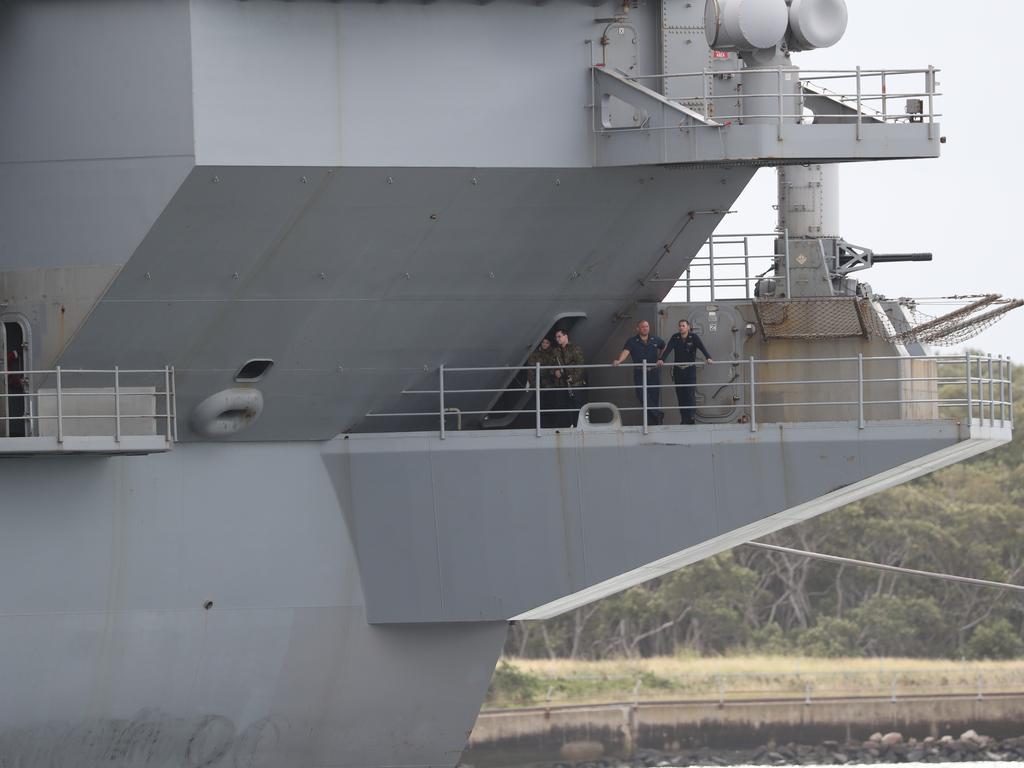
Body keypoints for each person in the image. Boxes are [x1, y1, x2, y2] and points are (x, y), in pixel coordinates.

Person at [612, 320, 666, 425]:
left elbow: (664, 347)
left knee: (654, 398)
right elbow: (625, 352)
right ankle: (657, 414)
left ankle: (653, 424)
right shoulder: (632, 341)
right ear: (638, 329)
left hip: (653, 372)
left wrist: (661, 358)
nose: (645, 328)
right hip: (640, 373)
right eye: (643, 327)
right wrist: (618, 361)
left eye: (647, 326)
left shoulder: (655, 339)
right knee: (641, 395)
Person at [661, 319, 713, 425]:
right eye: (680, 326)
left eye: (683, 326)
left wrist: (708, 357)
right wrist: (662, 359)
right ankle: (684, 418)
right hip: (678, 370)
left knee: (689, 393)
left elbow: (702, 348)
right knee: (681, 395)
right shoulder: (675, 337)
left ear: (688, 327)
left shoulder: (694, 337)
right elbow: (668, 349)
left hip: (689, 370)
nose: (681, 327)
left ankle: (690, 417)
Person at [552, 329, 585, 428]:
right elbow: (551, 365)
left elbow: (580, 365)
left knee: (576, 406)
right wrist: (555, 371)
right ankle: (564, 427)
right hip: (561, 384)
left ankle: (577, 426)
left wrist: (573, 378)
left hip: (574, 384)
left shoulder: (575, 348)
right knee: (562, 406)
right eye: (556, 337)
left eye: (559, 336)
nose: (557, 339)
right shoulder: (555, 351)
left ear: (565, 336)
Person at [526, 338, 557, 426]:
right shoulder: (535, 354)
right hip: (538, 384)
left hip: (550, 384)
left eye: (547, 343)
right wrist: (533, 383)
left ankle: (550, 424)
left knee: (550, 405)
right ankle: (540, 424)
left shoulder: (553, 353)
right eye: (543, 342)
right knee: (539, 405)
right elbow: (531, 369)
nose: (544, 344)